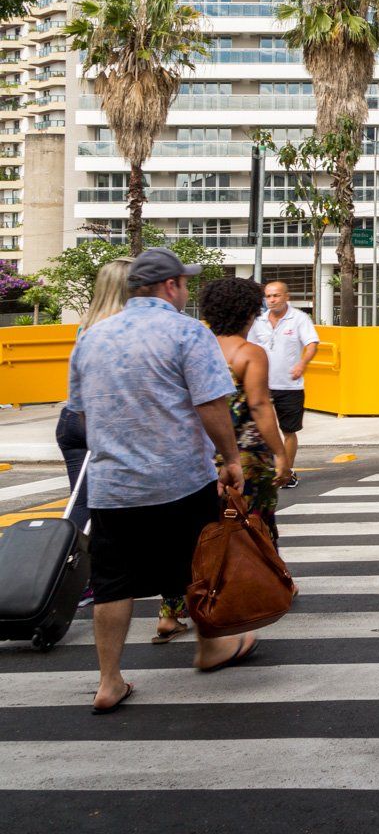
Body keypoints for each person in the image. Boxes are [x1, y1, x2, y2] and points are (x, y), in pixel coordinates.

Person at [69, 247, 256, 712]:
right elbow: (211, 403)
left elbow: (81, 413)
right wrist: (231, 458)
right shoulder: (187, 332)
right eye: (184, 283)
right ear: (170, 286)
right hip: (179, 478)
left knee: (112, 582)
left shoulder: (91, 337)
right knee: (198, 567)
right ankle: (210, 647)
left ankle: (109, 681)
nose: (186, 291)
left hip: (113, 485)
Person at [53, 258, 133, 616]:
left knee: (84, 502)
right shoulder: (119, 328)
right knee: (91, 507)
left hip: (71, 419)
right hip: (95, 423)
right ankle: (70, 580)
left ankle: (69, 575)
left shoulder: (86, 325)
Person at [201, 276, 292, 543]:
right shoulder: (250, 353)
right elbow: (259, 406)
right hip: (246, 459)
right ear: (249, 313)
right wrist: (281, 454)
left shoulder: (198, 349)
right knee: (253, 530)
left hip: (203, 458)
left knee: (210, 531)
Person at [246, 280, 318, 489]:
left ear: (286, 296)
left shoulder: (299, 318)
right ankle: (266, 470)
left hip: (290, 386)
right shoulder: (259, 321)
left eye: (276, 295)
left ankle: (287, 472)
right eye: (268, 296)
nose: (272, 300)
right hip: (262, 386)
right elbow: (248, 346)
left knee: (288, 431)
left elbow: (312, 344)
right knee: (260, 429)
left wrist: (302, 364)